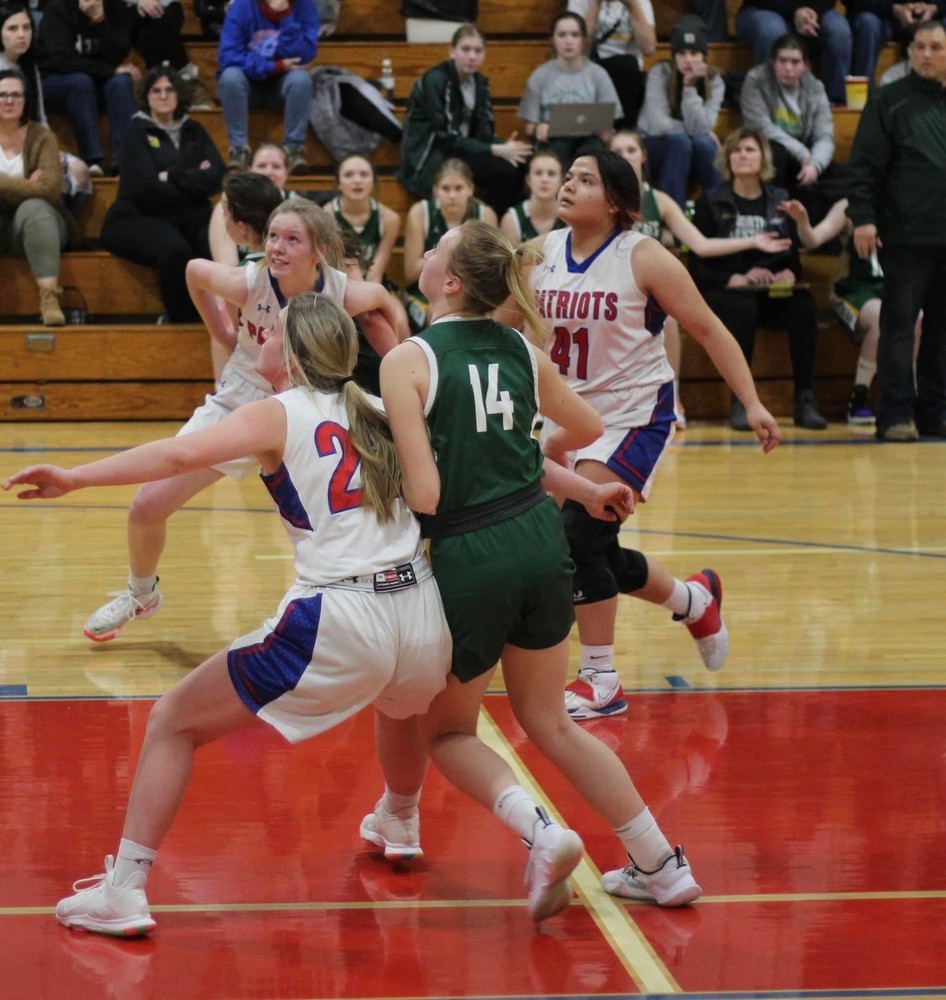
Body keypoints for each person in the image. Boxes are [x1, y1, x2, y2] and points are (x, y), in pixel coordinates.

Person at [4, 293, 453, 938]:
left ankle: (123, 889)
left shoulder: (279, 411)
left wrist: (76, 477)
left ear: (293, 355)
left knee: (171, 722)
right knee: (402, 705)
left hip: (342, 616)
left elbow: (178, 457)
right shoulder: (381, 407)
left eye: (269, 335)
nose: (258, 342)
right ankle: (401, 819)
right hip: (422, 613)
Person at [364, 217, 703, 917]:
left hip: (471, 556)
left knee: (450, 732)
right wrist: (537, 462)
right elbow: (582, 430)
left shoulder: (408, 360)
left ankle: (544, 834)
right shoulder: (520, 348)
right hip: (541, 544)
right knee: (553, 723)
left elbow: (425, 494)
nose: (424, 254)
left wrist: (389, 465)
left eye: (435, 249)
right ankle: (661, 864)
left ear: (451, 281)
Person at [511, 149, 781, 721]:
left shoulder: (646, 257)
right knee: (596, 550)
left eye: (584, 180)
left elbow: (708, 328)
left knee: (578, 538)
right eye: (568, 176)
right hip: (565, 418)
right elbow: (495, 324)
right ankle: (693, 600)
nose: (568, 185)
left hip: (633, 414)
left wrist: (752, 401)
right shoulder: (539, 254)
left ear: (614, 201)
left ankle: (600, 678)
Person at [82, 200, 401, 643]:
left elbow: (383, 302)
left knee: (327, 522)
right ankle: (141, 593)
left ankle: (352, 604)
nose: (277, 247)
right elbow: (194, 271)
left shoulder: (341, 290)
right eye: (273, 236)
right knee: (147, 506)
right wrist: (221, 331)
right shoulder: (250, 281)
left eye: (292, 239)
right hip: (241, 403)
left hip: (304, 409)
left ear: (319, 251)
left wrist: (403, 361)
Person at [609, 128, 791, 429]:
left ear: (643, 155)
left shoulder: (661, 201)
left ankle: (672, 399)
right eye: (618, 150)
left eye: (631, 149)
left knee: (668, 318)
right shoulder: (601, 199)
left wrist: (753, 241)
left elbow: (701, 245)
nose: (625, 156)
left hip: (641, 290)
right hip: (605, 286)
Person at [690, 126, 828, 431]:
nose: (743, 156)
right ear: (727, 159)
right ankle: (741, 400)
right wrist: (736, 277)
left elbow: (792, 256)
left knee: (804, 306)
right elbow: (697, 267)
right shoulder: (711, 201)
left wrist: (789, 273)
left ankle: (804, 398)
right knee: (742, 307)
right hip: (727, 291)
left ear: (763, 157)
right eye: (737, 151)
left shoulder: (780, 199)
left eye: (750, 149)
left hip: (771, 292)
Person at [846, 18, 946, 440]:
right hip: (905, 236)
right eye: (920, 46)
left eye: (937, 47)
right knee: (900, 329)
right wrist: (864, 216)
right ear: (909, 51)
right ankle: (894, 415)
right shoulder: (889, 100)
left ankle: (936, 414)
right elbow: (864, 165)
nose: (927, 54)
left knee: (942, 333)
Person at [100, 65, 226, 323]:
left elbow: (216, 177)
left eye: (169, 90)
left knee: (215, 242)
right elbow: (144, 188)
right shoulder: (136, 133)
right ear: (146, 97)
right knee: (176, 251)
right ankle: (181, 321)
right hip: (136, 216)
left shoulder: (194, 130)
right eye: (156, 91)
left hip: (188, 216)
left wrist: (171, 176)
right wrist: (193, 180)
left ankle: (226, 317)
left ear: (179, 94)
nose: (163, 95)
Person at [781, 195, 923, 425]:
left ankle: (912, 396)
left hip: (894, 286)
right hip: (853, 289)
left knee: (918, 317)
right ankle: (859, 398)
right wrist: (803, 221)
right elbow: (812, 240)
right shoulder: (849, 205)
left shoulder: (908, 199)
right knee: (880, 317)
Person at [396, 23, 532, 219]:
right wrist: (497, 150)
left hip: (464, 149)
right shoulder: (436, 80)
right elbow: (447, 138)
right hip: (433, 153)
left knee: (525, 161)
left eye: (478, 50)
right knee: (503, 172)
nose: (472, 56)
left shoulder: (480, 83)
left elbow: (484, 132)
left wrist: (507, 147)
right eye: (465, 49)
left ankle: (509, 225)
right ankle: (487, 229)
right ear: (452, 52)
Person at [739, 33, 849, 225]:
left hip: (805, 158)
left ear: (805, 65)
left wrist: (815, 164)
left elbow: (825, 135)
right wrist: (800, 152)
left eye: (795, 62)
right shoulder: (756, 80)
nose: (788, 68)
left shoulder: (815, 87)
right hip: (769, 151)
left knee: (847, 179)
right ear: (773, 62)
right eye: (782, 61)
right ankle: (771, 221)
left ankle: (817, 232)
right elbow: (760, 127)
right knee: (777, 153)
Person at [0, 2, 91, 213]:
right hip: (6, 146)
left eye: (27, 27)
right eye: (13, 29)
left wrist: (48, 153)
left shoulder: (30, 66)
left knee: (80, 171)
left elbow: (41, 118)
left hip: (31, 140)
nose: (22, 34)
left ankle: (59, 227)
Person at [216, 0, 319, 174]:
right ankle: (239, 150)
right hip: (248, 86)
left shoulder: (305, 6)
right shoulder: (242, 6)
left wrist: (286, 16)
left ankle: (293, 150)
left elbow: (302, 56)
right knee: (230, 77)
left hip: (283, 87)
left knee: (301, 79)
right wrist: (274, 67)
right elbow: (228, 56)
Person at [0, 67, 69, 324]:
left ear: (25, 100)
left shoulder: (42, 137)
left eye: (16, 95)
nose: (9, 101)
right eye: (3, 94)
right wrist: (26, 185)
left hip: (37, 225)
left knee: (35, 209)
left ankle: (50, 300)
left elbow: (49, 189)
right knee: (31, 199)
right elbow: (36, 187)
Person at [37, 0, 138, 174]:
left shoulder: (115, 7)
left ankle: (125, 160)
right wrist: (109, 70)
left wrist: (100, 20)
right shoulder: (57, 9)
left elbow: (120, 51)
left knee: (121, 82)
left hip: (97, 80)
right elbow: (63, 60)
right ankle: (92, 160)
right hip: (57, 82)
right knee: (80, 82)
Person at [205, 169, 285, 385]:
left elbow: (193, 273)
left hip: (254, 381)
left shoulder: (241, 277)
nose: (223, 219)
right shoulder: (303, 264)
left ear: (242, 228)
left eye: (225, 213)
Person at [401, 157, 497, 334]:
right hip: (423, 293)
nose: (452, 195)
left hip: (469, 292)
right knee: (437, 313)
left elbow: (489, 271)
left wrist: (447, 255)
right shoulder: (421, 212)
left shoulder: (485, 215)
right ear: (435, 190)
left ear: (470, 189)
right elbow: (410, 271)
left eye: (459, 188)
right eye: (446, 189)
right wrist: (449, 253)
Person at [636, 14, 724, 209]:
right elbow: (659, 125)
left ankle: (719, 210)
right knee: (683, 142)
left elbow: (703, 127)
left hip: (690, 149)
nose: (688, 60)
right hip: (653, 145)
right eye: (682, 53)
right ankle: (672, 214)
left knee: (705, 144)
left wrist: (689, 89)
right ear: (674, 55)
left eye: (694, 53)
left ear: (704, 55)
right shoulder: (659, 73)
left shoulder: (715, 81)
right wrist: (698, 131)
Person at [517, 12, 623, 165]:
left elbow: (609, 119)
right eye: (562, 35)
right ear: (552, 40)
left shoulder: (598, 74)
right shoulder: (540, 76)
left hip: (590, 140)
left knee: (592, 153)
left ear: (583, 40)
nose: (569, 41)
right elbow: (528, 127)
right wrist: (537, 129)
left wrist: (606, 131)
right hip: (553, 141)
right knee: (559, 150)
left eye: (574, 35)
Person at [734, 0, 852, 106]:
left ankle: (836, 102)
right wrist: (795, 12)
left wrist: (811, 12)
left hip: (816, 8)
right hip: (762, 7)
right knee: (772, 31)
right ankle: (766, 103)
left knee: (839, 32)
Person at [565, 0, 656, 128]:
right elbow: (580, 49)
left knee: (627, 65)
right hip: (590, 68)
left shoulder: (641, 2)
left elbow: (649, 48)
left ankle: (624, 133)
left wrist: (633, 6)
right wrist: (595, 5)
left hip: (628, 74)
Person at [122, 0, 214, 110]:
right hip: (125, 10)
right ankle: (189, 77)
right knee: (157, 21)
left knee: (150, 31)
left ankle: (154, 89)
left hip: (167, 6)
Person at [847, 0, 946, 88]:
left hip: (932, 13)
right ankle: (863, 96)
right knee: (867, 24)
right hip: (880, 13)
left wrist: (935, 7)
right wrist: (893, 8)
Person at [500, 150, 566, 244]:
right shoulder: (511, 220)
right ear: (528, 180)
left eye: (551, 174)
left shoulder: (569, 218)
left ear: (561, 181)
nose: (544, 180)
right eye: (538, 173)